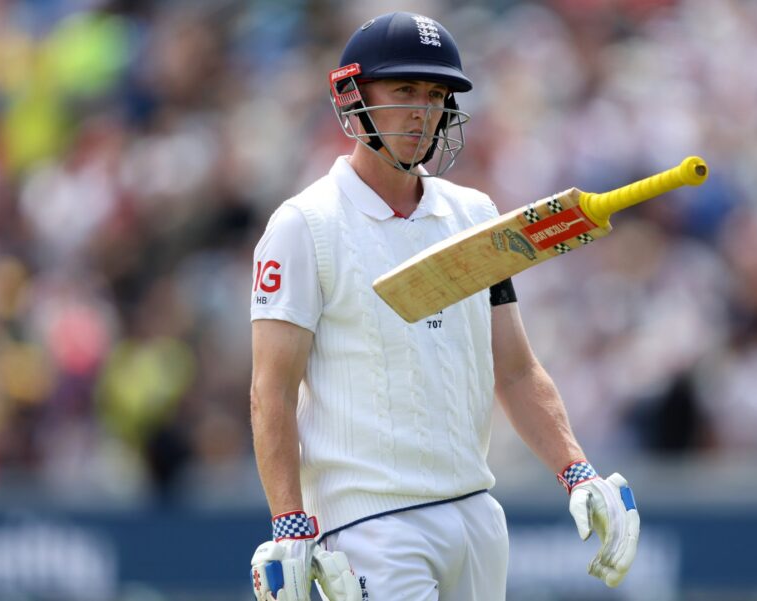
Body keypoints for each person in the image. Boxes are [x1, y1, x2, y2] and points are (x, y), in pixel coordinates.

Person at [249, 11, 640, 601]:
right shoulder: (304, 225)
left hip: (476, 516)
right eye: (403, 90)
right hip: (368, 527)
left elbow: (514, 368)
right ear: (353, 97)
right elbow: (270, 392)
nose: (422, 111)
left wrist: (576, 470)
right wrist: (289, 522)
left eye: (435, 94)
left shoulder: (474, 216)